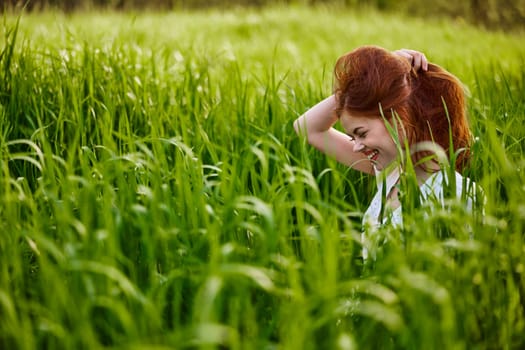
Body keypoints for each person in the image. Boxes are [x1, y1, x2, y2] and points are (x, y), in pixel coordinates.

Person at [293, 45, 478, 260]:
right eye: (353, 137)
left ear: (400, 118)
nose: (356, 146)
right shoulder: (391, 172)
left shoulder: (458, 195)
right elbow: (306, 127)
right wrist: (373, 79)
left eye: (361, 133)